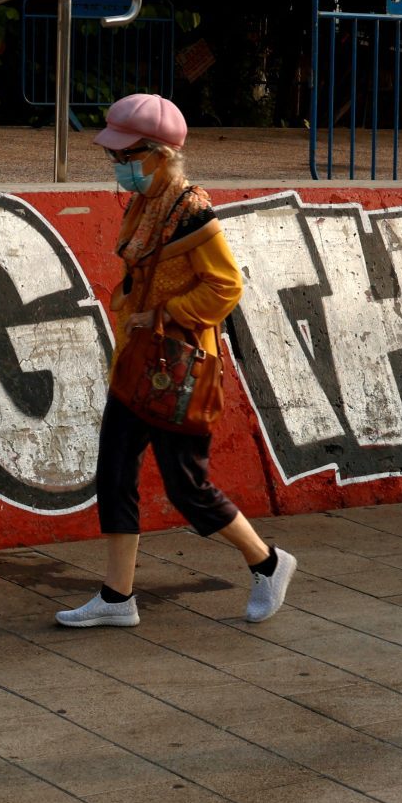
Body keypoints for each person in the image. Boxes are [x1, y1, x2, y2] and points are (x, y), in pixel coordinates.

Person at [55, 93, 296, 629]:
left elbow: (227, 284)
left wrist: (165, 312)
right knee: (114, 474)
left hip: (179, 369)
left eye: (127, 157)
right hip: (137, 364)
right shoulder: (147, 207)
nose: (119, 168)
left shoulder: (191, 212)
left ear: (159, 155)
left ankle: (269, 562)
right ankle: (117, 599)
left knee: (188, 487)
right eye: (115, 157)